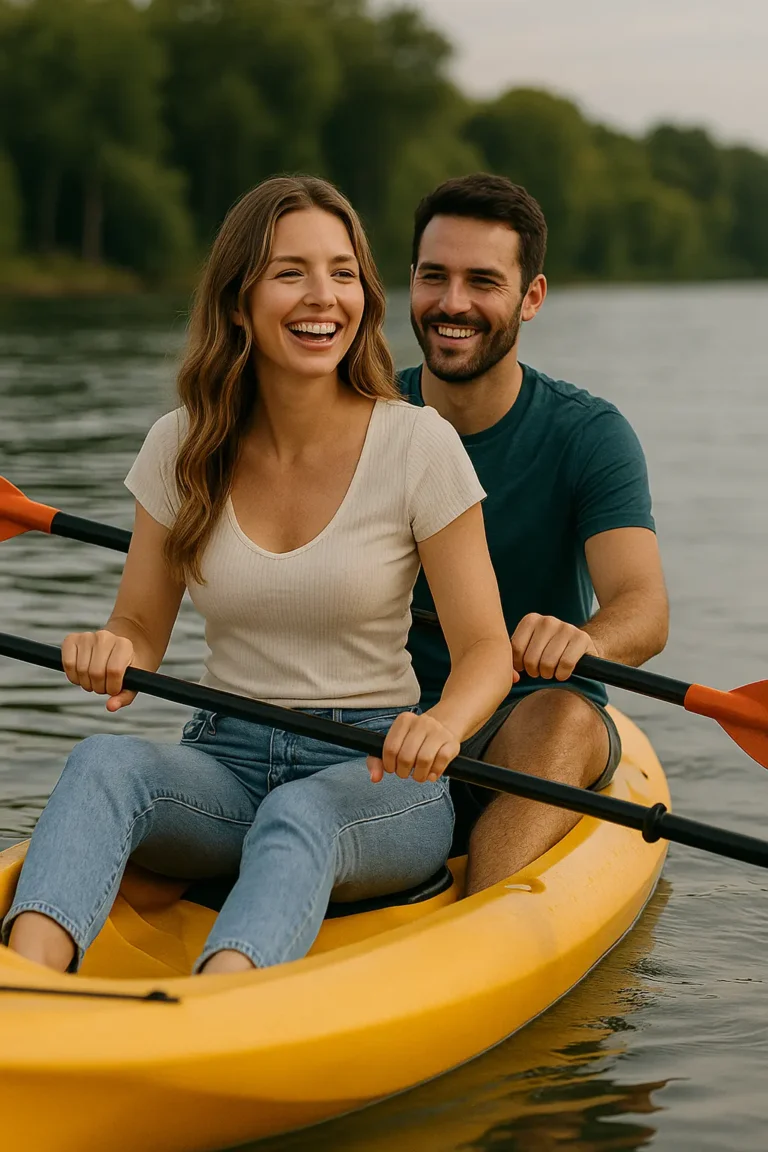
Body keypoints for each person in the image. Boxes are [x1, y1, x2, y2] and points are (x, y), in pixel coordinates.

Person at [3, 175, 514, 975]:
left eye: (343, 272)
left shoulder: (420, 446)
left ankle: (217, 1013)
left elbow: (487, 648)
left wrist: (443, 724)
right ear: (239, 302)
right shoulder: (180, 447)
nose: (324, 296)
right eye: (291, 272)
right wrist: (109, 648)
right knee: (102, 762)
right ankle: (24, 989)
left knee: (299, 812)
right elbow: (139, 629)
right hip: (223, 760)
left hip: (376, 772)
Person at [400, 173, 669, 895]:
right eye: (435, 277)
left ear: (531, 297)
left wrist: (586, 640)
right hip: (369, 710)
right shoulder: (358, 411)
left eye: (482, 281)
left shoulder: (589, 435)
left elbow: (643, 606)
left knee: (563, 718)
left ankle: (484, 922)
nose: (453, 303)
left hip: (516, 723)